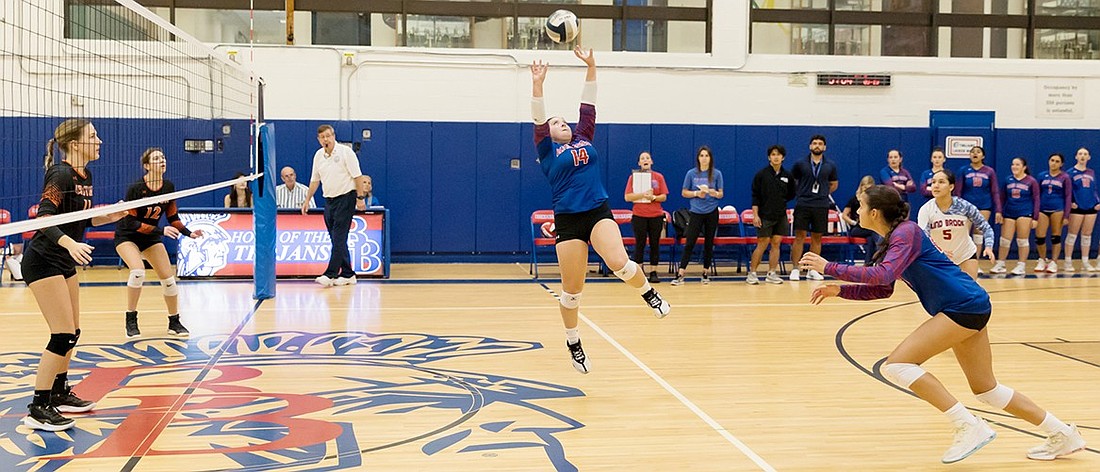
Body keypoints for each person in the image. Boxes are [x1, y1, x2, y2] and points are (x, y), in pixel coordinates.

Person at [801, 185, 1086, 464]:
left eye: (861, 206)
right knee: (987, 389)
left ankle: (968, 425)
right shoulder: (891, 238)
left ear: (874, 212)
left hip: (961, 305)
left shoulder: (906, 232)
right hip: (968, 304)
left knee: (898, 365)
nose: (857, 211)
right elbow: (883, 287)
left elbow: (882, 274)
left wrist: (828, 267)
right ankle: (1062, 433)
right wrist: (839, 290)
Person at [529, 47, 670, 374]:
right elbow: (538, 117)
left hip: (597, 211)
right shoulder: (548, 154)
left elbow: (588, 104)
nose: (562, 123)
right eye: (556, 122)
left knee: (620, 263)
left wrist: (591, 66)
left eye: (564, 121)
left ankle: (648, 293)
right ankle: (573, 340)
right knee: (572, 291)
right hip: (567, 219)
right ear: (548, 135)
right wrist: (538, 85)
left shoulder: (584, 137)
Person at [21, 119, 127, 431]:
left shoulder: (85, 175)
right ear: (76, 143)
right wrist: (69, 243)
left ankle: (58, 392)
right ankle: (38, 407)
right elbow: (44, 218)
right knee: (62, 334)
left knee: (73, 332)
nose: (100, 141)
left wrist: (113, 214)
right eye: (93, 136)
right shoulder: (60, 172)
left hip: (63, 259)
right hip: (43, 260)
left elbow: (83, 218)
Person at [114, 147, 204, 339]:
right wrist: (161, 230)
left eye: (163, 157)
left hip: (150, 237)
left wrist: (189, 233)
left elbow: (173, 217)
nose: (162, 160)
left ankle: (174, 321)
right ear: (147, 166)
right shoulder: (136, 188)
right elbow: (131, 221)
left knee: (169, 280)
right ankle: (131, 319)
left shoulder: (168, 187)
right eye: (156, 158)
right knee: (138, 272)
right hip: (128, 235)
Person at [301, 125, 368, 287]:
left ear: (333, 136)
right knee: (336, 238)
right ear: (319, 140)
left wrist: (360, 198)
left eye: (328, 136)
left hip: (346, 197)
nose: (326, 139)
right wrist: (307, 199)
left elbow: (358, 177)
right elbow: (315, 180)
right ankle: (348, 274)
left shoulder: (346, 153)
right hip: (329, 200)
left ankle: (330, 274)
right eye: (322, 137)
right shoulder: (318, 156)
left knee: (339, 236)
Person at [917, 170, 995, 280]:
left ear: (951, 187)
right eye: (933, 182)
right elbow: (924, 238)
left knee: (970, 293)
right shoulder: (926, 209)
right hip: (939, 258)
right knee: (942, 295)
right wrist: (939, 252)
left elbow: (986, 228)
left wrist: (988, 247)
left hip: (965, 255)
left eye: (941, 182)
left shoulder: (964, 206)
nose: (936, 185)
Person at [671, 146, 724, 286]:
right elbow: (684, 192)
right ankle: (681, 272)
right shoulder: (691, 174)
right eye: (702, 155)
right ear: (698, 158)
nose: (704, 158)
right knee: (690, 242)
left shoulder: (717, 174)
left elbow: (721, 193)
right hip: (696, 212)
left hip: (712, 211)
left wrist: (713, 193)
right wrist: (696, 194)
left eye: (707, 155)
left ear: (710, 158)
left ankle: (705, 272)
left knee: (708, 242)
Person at [789, 134, 838, 281]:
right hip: (803, 203)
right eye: (815, 143)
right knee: (800, 237)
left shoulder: (830, 165)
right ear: (810, 146)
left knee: (817, 238)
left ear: (824, 147)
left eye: (820, 143)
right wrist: (803, 193)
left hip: (821, 205)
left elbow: (834, 184)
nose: (817, 145)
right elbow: (793, 181)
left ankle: (813, 270)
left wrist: (823, 193)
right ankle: (796, 268)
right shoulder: (800, 164)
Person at [747, 144, 794, 285]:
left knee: (776, 244)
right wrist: (756, 215)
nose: (776, 157)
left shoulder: (787, 176)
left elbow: (791, 194)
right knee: (762, 243)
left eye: (778, 154)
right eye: (773, 154)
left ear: (783, 157)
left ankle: (772, 273)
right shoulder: (761, 175)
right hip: (764, 215)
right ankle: (752, 273)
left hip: (780, 215)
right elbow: (755, 197)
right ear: (769, 157)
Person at [624, 151, 668, 284]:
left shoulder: (658, 177)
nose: (645, 160)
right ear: (639, 163)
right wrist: (642, 195)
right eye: (642, 158)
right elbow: (627, 197)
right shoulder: (633, 177)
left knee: (655, 244)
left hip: (656, 215)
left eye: (647, 158)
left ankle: (653, 271)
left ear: (651, 161)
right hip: (639, 215)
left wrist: (653, 197)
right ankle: (639, 271)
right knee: (640, 244)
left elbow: (664, 196)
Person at [955, 145, 1000, 273]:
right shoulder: (964, 170)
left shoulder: (989, 171)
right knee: (963, 233)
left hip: (984, 206)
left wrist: (998, 210)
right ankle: (961, 262)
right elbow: (958, 190)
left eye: (978, 152)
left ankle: (976, 262)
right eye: (972, 152)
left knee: (979, 234)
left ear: (983, 156)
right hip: (966, 207)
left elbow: (995, 191)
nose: (975, 154)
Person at [990, 157, 1040, 275]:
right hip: (1009, 213)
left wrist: (1035, 217)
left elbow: (1036, 199)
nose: (1014, 167)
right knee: (1004, 240)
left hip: (1025, 213)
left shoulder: (1031, 181)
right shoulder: (1008, 180)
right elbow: (1002, 197)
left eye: (1017, 164)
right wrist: (999, 211)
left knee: (1022, 240)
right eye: (1013, 164)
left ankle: (1021, 265)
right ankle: (1001, 264)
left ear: (1024, 167)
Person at [1035, 153, 1072, 273]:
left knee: (1056, 237)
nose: (1054, 163)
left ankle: (1054, 262)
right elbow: (1037, 195)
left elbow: (1068, 196)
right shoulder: (1042, 176)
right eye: (1052, 160)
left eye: (1057, 161)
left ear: (1061, 164)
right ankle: (1042, 259)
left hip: (1058, 209)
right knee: (1040, 237)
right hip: (1043, 209)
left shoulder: (1065, 177)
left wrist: (1066, 215)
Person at [1064, 147, 1100, 272]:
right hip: (1077, 207)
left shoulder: (1091, 172)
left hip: (1091, 206)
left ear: (1089, 157)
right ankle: (1068, 261)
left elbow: (1093, 189)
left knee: (1086, 235)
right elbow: (1067, 191)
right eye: (1080, 154)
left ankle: (1085, 261)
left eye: (1085, 154)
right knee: (1072, 234)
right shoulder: (1070, 172)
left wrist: (1097, 202)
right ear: (1076, 157)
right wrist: (1071, 203)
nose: (1082, 156)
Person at [841, 176, 883, 266]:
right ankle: (881, 251)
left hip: (869, 228)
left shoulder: (873, 200)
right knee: (874, 232)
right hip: (857, 228)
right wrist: (853, 222)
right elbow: (844, 215)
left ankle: (868, 264)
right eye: (864, 186)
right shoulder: (854, 199)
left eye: (869, 186)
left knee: (870, 239)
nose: (866, 188)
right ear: (861, 186)